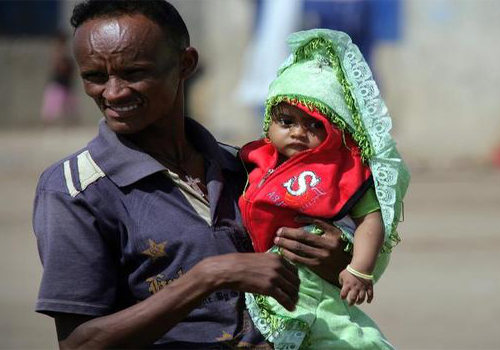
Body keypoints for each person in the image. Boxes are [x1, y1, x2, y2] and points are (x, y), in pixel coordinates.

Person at [33, 1, 350, 348]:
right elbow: (79, 344)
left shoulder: (247, 167)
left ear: (186, 64)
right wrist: (211, 275)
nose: (113, 92)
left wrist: (336, 260)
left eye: (134, 72)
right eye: (94, 77)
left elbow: (325, 279)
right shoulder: (75, 189)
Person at [238, 29, 409, 349]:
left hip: (315, 280)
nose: (298, 133)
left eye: (315, 125)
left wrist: (359, 270)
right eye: (286, 122)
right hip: (269, 274)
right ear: (268, 123)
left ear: (338, 128)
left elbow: (371, 219)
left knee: (333, 331)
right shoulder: (256, 160)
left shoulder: (343, 170)